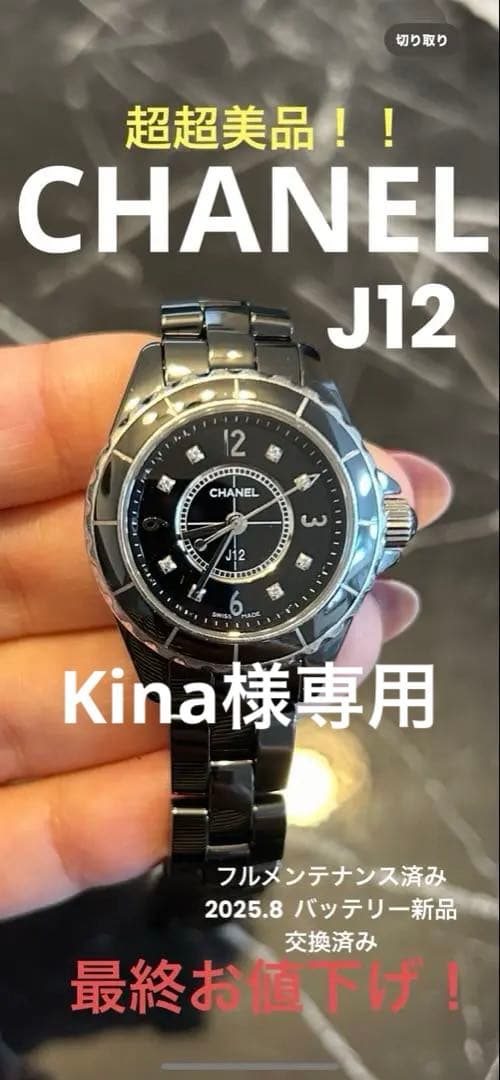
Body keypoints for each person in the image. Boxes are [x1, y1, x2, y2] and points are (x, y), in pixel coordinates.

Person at [0, 334, 452, 919]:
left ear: (382, 524)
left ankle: (208, 895)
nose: (236, 519)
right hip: (183, 637)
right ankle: (206, 899)